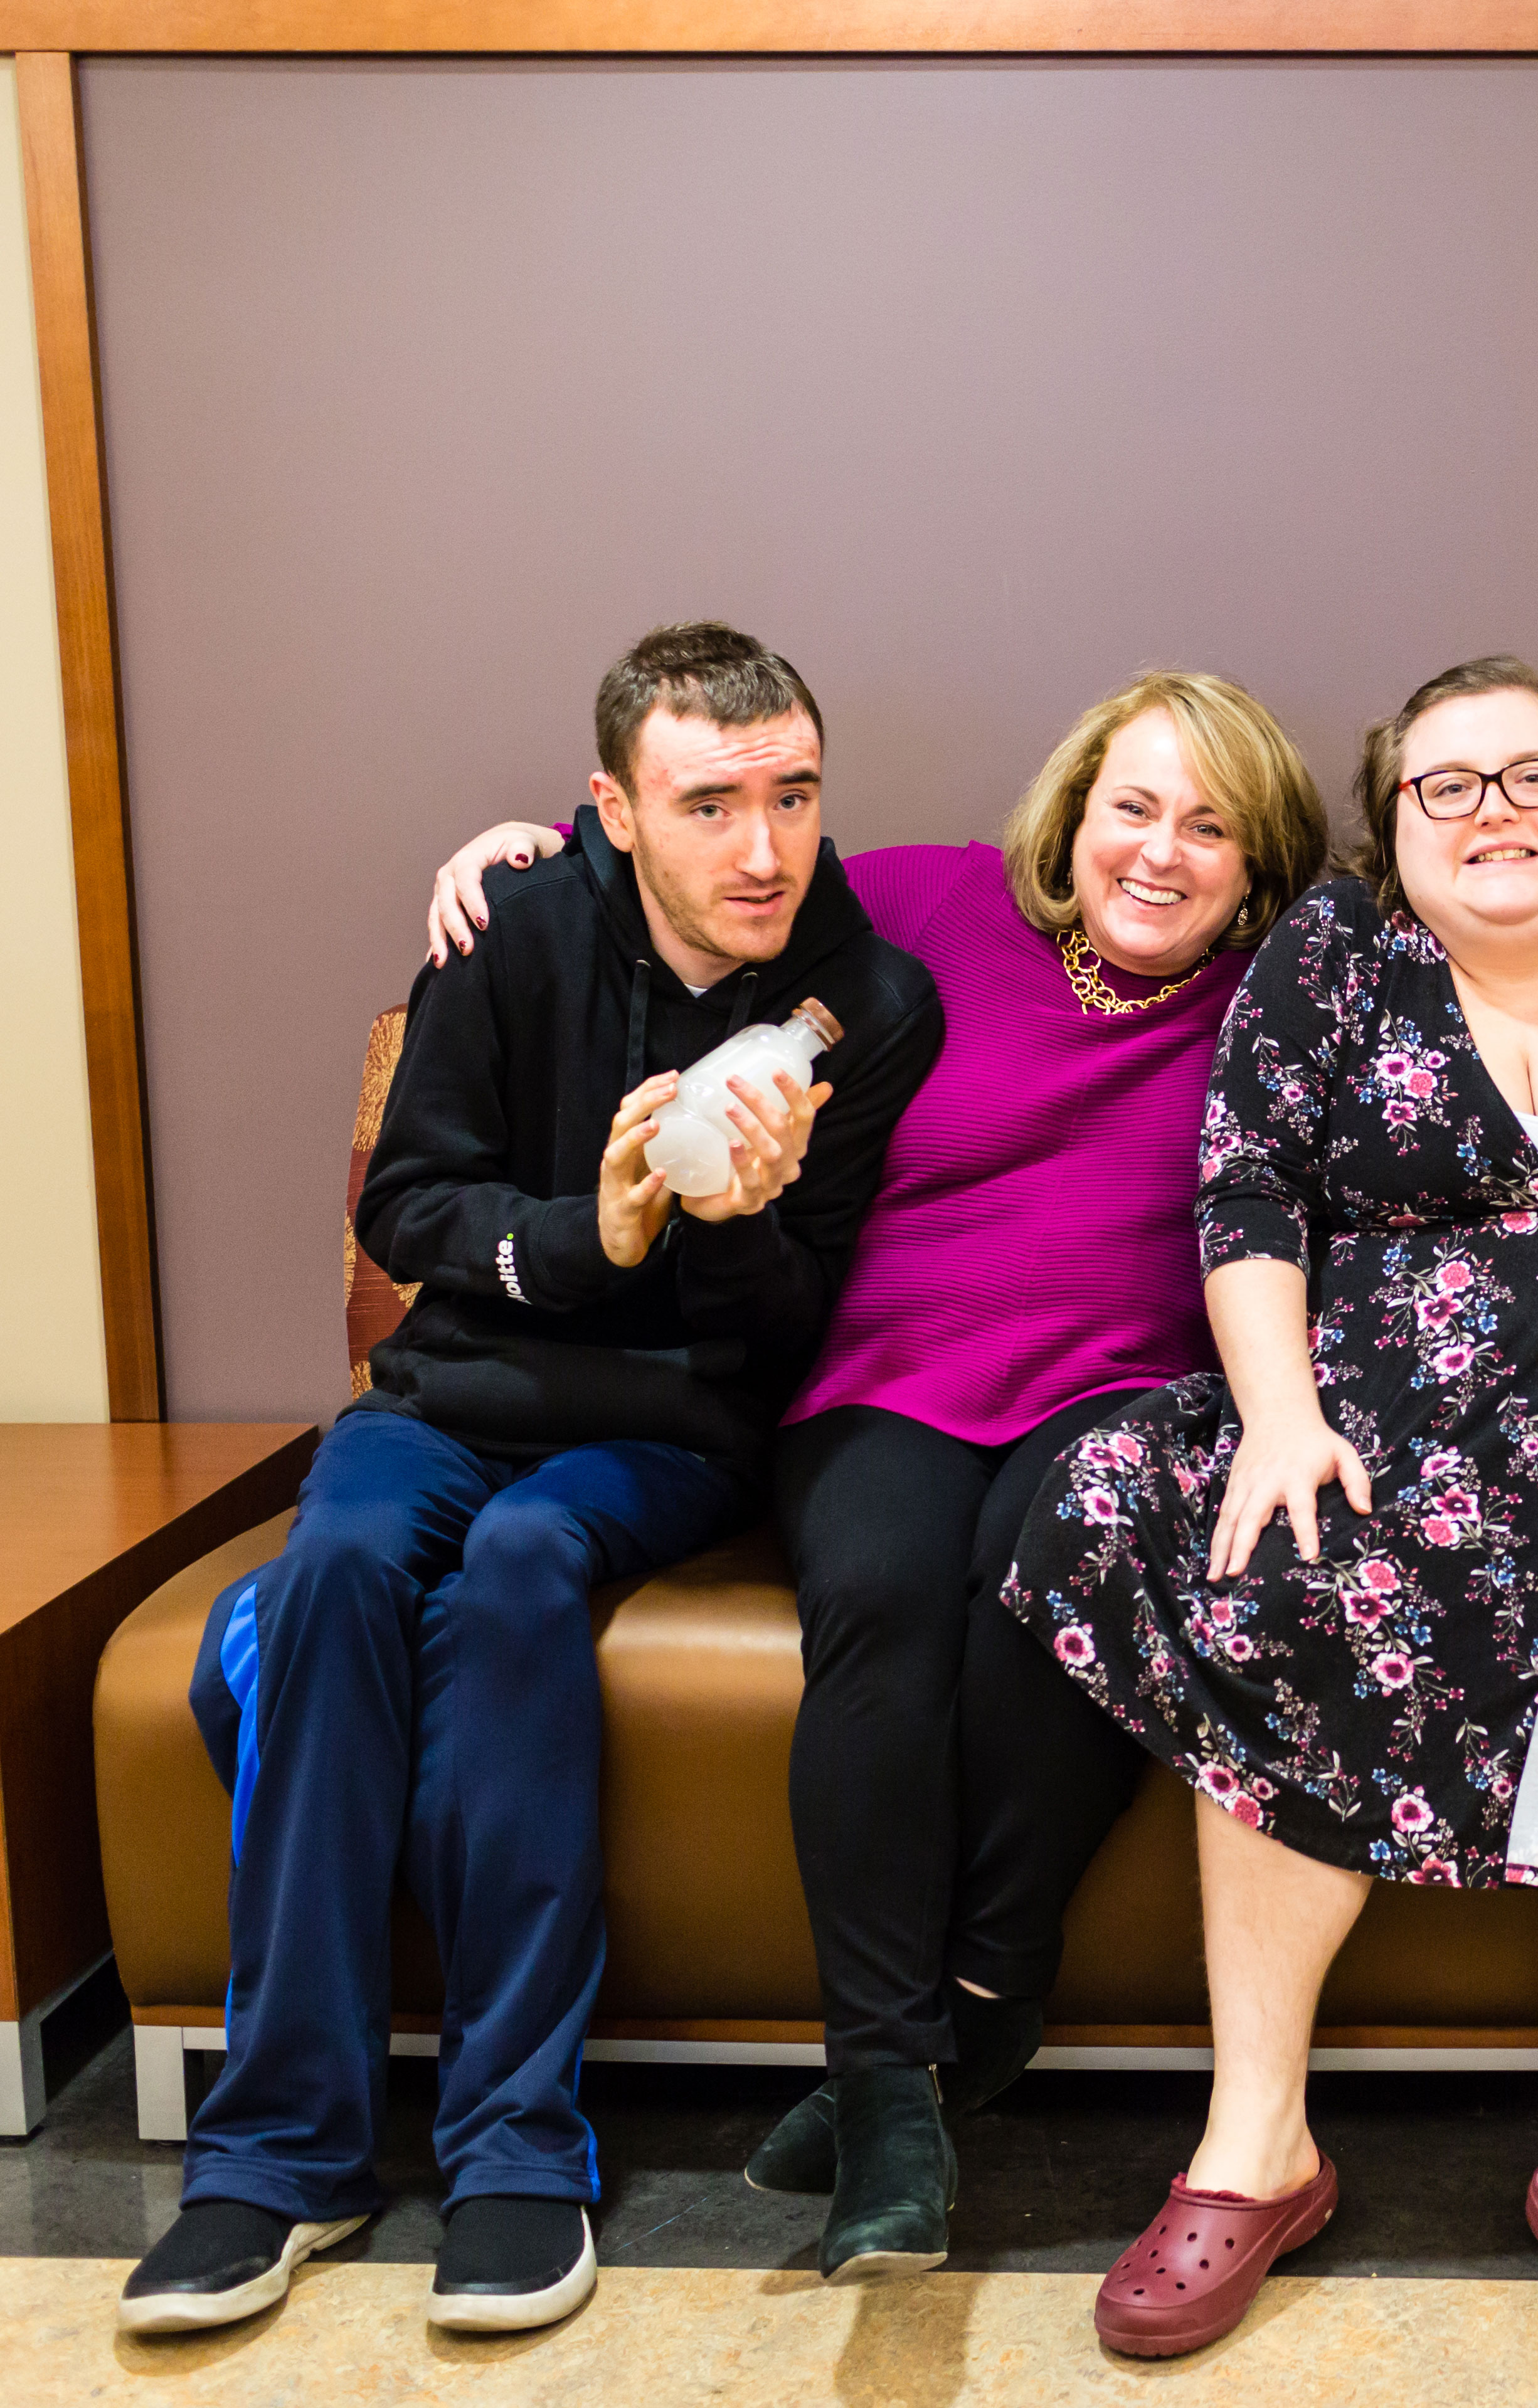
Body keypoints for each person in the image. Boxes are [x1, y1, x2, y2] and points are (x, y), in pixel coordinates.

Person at [414, 678, 1538, 2283]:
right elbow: (723, 864)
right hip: (887, 1390)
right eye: (1132, 809)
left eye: (1207, 828)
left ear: (1256, 867)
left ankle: (984, 2003)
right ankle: (881, 2077)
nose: (1160, 853)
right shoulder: (930, 902)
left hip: (1111, 1396)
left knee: (1049, 1576)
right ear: (1072, 818)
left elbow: (1488, 855)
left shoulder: (1296, 974)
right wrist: (547, 850)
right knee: (873, 1593)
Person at [960, 656, 1538, 2377]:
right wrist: (1278, 1415)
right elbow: (1248, 1179)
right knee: (1268, 1553)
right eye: (1450, 785)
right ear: (1394, 821)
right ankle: (1255, 2144)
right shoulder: (1339, 952)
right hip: (1365, 1404)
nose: (1494, 811)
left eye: (1535, 778)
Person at [119, 625, 943, 2338]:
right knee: (332, 1573)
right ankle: (276, 2161)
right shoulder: (512, 931)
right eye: (710, 804)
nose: (765, 849)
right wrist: (600, 1231)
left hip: (664, 1429)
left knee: (513, 1570)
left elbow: (784, 1348)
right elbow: (409, 1213)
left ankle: (515, 2146)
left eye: (794, 796)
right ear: (614, 811)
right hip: (451, 1390)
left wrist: (728, 1234)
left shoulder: (863, 1002)